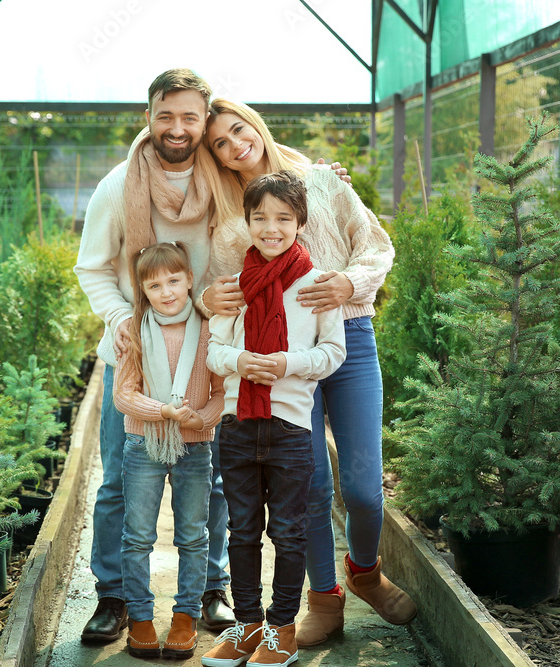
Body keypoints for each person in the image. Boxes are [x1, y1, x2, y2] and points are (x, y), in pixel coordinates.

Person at [202, 99, 417, 647]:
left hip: (351, 340)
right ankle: (325, 599)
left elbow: (376, 246)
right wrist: (209, 298)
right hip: (284, 371)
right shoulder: (233, 230)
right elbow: (219, 302)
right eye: (220, 144)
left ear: (256, 124)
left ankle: (364, 571)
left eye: (237, 130)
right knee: (311, 488)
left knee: (366, 489)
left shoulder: (322, 182)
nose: (234, 146)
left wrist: (348, 284)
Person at [74, 69, 235, 643]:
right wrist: (125, 321)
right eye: (165, 115)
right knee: (118, 483)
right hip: (134, 360)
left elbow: (274, 165)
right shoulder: (119, 186)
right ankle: (114, 597)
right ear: (149, 115)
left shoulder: (224, 183)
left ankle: (210, 590)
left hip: (208, 355)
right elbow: (91, 267)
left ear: (204, 119)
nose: (177, 127)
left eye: (190, 116)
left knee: (211, 483)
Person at [202, 171, 346, 667]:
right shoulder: (234, 288)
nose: (271, 227)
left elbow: (332, 353)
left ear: (300, 222)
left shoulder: (316, 285)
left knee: (288, 532)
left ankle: (281, 630)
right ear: (246, 222)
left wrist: (287, 363)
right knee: (241, 530)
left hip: (289, 430)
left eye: (283, 217)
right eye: (260, 217)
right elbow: (214, 351)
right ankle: (246, 626)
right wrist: (241, 361)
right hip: (237, 427)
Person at [114, 242, 226, 660]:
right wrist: (162, 411)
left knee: (193, 536)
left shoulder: (209, 328)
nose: (166, 291)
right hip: (143, 443)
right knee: (138, 535)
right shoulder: (135, 329)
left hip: (195, 446)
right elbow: (124, 395)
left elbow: (220, 393)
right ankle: (141, 616)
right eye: (155, 285)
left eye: (174, 281)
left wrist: (201, 419)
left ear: (190, 280)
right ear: (144, 290)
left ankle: (185, 617)